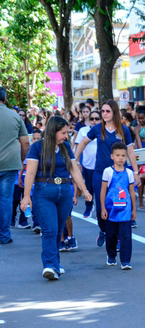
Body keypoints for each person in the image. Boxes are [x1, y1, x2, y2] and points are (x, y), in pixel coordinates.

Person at [19, 116, 92, 279]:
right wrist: (26, 197)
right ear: (53, 131)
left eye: (67, 133)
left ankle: (56, 263)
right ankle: (50, 266)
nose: (66, 136)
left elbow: (74, 170)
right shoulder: (37, 147)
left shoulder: (66, 147)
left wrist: (85, 190)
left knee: (58, 230)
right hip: (44, 192)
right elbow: (30, 172)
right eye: (63, 133)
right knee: (50, 229)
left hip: (65, 191)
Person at [74, 100, 140, 247]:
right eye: (102, 111)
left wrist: (135, 172)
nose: (104, 114)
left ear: (114, 112)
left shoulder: (124, 130)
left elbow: (130, 150)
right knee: (100, 207)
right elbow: (83, 142)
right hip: (100, 172)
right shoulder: (97, 128)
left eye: (107, 111)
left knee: (118, 204)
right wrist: (76, 159)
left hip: (120, 173)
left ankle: (115, 237)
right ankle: (104, 230)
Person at [0, 86, 30, 244]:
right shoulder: (15, 117)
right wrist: (22, 160)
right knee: (5, 200)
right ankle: (4, 235)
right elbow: (25, 142)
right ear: (5, 99)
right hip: (10, 163)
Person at [100, 142, 136, 269]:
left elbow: (132, 192)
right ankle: (111, 255)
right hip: (111, 209)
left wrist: (134, 210)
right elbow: (103, 190)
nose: (120, 158)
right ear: (112, 156)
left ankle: (126, 260)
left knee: (126, 235)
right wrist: (103, 208)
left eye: (123, 155)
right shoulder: (108, 171)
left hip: (125, 209)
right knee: (111, 234)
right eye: (118, 155)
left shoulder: (129, 173)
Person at [73, 109, 100, 220]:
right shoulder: (83, 130)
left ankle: (101, 209)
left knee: (100, 189)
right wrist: (77, 161)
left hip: (101, 165)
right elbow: (78, 145)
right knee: (88, 188)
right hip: (88, 165)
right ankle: (88, 207)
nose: (94, 121)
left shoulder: (104, 131)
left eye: (97, 119)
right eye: (92, 119)